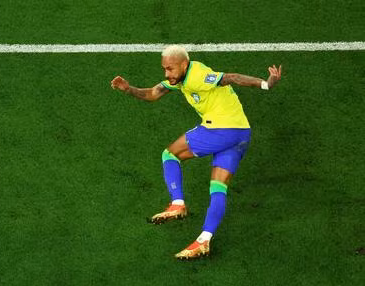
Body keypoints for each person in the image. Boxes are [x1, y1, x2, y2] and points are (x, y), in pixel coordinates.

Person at [110, 45, 282, 259]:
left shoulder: (198, 75)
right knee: (218, 188)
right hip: (241, 134)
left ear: (183, 64)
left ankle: (177, 204)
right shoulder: (180, 79)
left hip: (222, 128)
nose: (167, 74)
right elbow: (154, 93)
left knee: (170, 154)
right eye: (164, 69)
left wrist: (266, 84)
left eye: (170, 69)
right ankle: (204, 241)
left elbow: (232, 77)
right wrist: (129, 89)